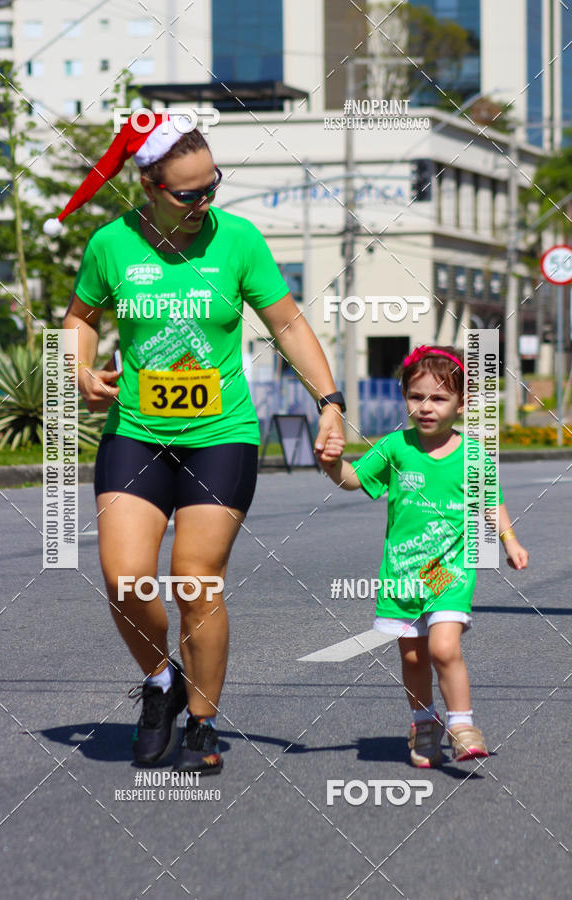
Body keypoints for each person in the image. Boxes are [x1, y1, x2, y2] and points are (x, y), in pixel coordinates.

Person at [57, 113, 345, 774]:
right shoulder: (110, 246)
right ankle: (161, 683)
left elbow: (289, 327)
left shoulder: (237, 241)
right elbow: (79, 319)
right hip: (135, 432)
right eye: (188, 193)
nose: (204, 202)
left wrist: (329, 402)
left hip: (222, 435)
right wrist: (78, 373)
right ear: (150, 186)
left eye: (211, 185)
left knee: (194, 578)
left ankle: (204, 723)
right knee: (124, 578)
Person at [318, 345, 529, 767]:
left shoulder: (472, 455)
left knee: (444, 647)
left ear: (462, 403)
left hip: (448, 573)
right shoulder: (396, 447)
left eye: (438, 398)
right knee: (412, 655)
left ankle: (463, 724)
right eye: (416, 397)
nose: (426, 407)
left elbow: (492, 502)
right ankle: (423, 721)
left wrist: (510, 541)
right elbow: (354, 480)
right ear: (405, 399)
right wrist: (331, 462)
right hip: (402, 575)